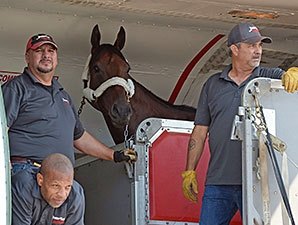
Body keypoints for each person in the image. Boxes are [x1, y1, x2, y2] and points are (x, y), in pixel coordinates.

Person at [181, 22, 298, 224]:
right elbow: (199, 132)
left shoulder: (268, 78)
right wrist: (189, 171)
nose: (258, 51)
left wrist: (292, 73)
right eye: (251, 45)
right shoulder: (212, 84)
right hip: (218, 182)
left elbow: (289, 92)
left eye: (260, 46)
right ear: (234, 49)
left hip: (258, 184)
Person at [1, 33, 137, 175]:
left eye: (51, 51)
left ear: (56, 58)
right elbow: (0, 130)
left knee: (78, 195)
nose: (46, 55)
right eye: (39, 51)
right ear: (27, 57)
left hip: (61, 179)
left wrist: (114, 155)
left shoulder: (62, 95)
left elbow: (79, 137)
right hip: (27, 172)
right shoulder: (15, 88)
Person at [12, 153, 85, 225]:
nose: (62, 194)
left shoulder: (76, 194)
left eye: (67, 187)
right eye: (56, 186)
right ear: (40, 180)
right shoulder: (25, 186)